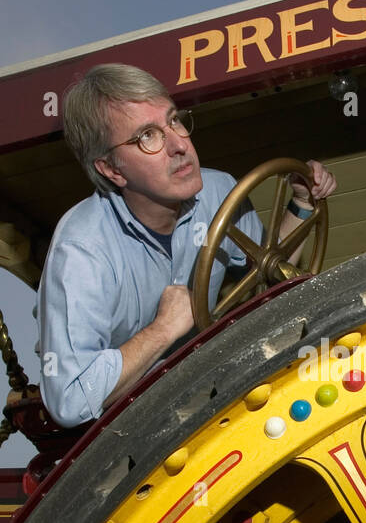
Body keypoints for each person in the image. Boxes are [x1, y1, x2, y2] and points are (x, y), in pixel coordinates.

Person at [36, 63, 337, 428]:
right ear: (112, 170)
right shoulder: (82, 250)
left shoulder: (219, 192)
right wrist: (162, 330)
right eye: (147, 136)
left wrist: (303, 203)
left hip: (208, 394)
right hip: (127, 429)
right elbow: (69, 400)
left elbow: (270, 269)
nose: (180, 146)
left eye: (174, 121)